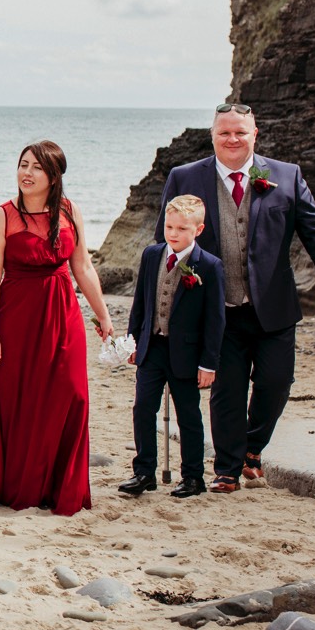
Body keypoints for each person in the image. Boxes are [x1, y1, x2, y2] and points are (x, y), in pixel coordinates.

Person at [158, 104, 315, 493]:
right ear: (212, 135)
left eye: (240, 133)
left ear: (254, 135)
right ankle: (228, 469)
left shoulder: (286, 175)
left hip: (273, 306)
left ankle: (253, 450)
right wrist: (164, 304)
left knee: (276, 382)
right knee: (226, 390)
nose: (233, 140)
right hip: (216, 308)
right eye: (225, 133)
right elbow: (166, 240)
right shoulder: (184, 177)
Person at [0, 141, 112, 516]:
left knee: (71, 395)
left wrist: (103, 316)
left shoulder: (69, 212)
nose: (27, 173)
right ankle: (24, 486)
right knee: (22, 399)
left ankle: (61, 486)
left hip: (62, 312)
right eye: (22, 165)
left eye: (36, 167)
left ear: (53, 177)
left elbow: (82, 267)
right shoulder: (1, 217)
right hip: (17, 316)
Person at [117, 195, 226, 499]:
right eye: (169, 226)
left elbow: (215, 319)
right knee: (142, 408)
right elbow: (141, 303)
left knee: (188, 415)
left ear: (198, 229)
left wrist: (209, 363)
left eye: (182, 228)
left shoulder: (210, 266)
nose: (174, 233)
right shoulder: (152, 256)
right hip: (152, 348)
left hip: (187, 355)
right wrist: (133, 342)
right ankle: (144, 472)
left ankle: (192, 477)